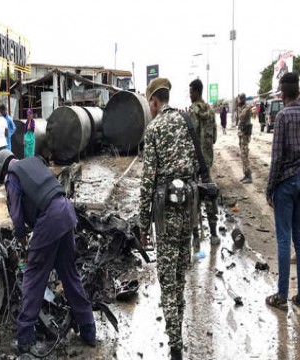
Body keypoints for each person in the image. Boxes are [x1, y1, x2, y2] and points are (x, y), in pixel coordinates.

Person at [0, 149, 96, 354]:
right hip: (66, 212)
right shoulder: (34, 162)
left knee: (33, 277)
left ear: (3, 169)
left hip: (50, 220)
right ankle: (88, 330)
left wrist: (23, 243)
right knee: (70, 275)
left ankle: (24, 338)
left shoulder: (12, 176)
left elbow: (16, 216)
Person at [139, 78, 198, 360]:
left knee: (166, 277)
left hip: (165, 214)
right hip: (188, 208)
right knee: (179, 275)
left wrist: (142, 224)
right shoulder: (187, 122)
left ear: (153, 102)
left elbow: (147, 181)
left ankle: (175, 345)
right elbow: (197, 165)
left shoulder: (154, 129)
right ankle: (178, 333)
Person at [265, 72, 300, 311]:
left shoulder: (282, 117)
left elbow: (277, 158)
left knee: (284, 238)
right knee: (299, 237)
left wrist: (269, 189)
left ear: (282, 92)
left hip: (286, 184)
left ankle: (282, 295)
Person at [188, 79, 219, 245]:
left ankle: (195, 238)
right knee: (209, 194)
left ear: (197, 92)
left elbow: (190, 136)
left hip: (194, 161)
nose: (189, 94)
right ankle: (214, 234)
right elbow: (214, 137)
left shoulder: (192, 111)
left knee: (194, 196)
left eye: (191, 91)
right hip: (207, 161)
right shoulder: (211, 111)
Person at [237, 93, 253, 184]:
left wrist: (239, 108)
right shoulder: (243, 108)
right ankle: (246, 174)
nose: (238, 101)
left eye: (239, 99)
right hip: (242, 135)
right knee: (243, 155)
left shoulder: (246, 109)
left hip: (245, 135)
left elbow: (242, 118)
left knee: (244, 155)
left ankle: (249, 176)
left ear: (242, 99)